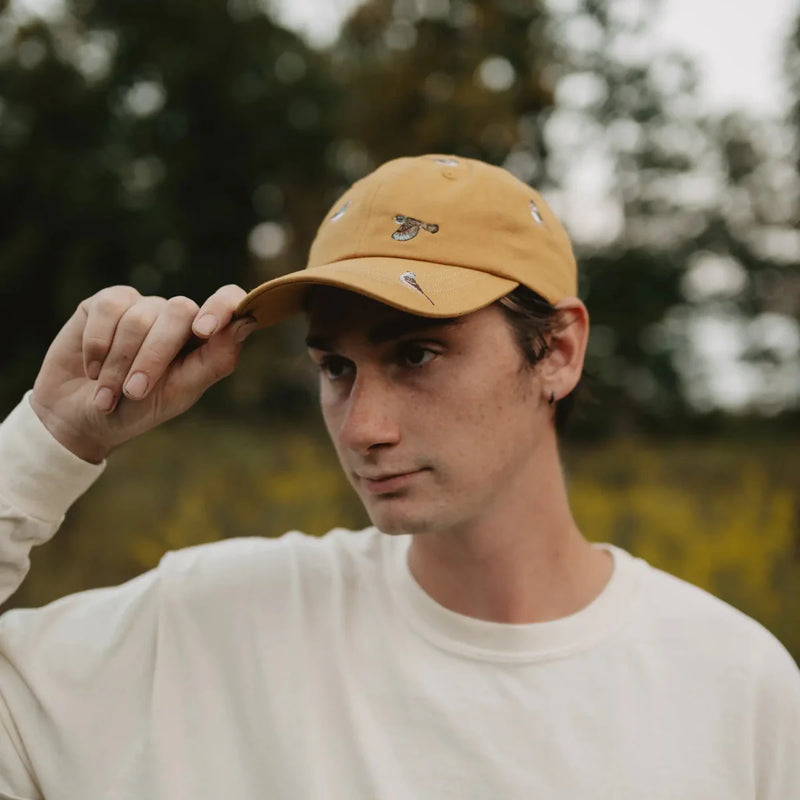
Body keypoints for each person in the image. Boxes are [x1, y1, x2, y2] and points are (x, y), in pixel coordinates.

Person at [0, 154, 798, 799]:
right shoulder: (210, 628)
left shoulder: (736, 689)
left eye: (416, 353)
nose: (361, 428)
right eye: (337, 368)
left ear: (556, 350)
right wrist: (51, 440)